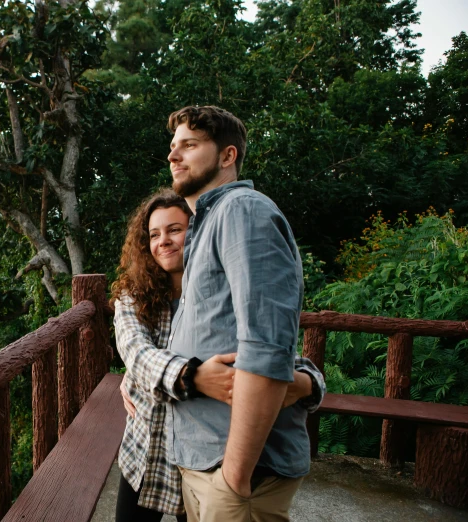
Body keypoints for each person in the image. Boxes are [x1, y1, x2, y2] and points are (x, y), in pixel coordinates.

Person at [111, 188, 325, 522]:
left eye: (174, 230)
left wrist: (308, 382)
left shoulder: (222, 294)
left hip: (203, 456)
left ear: (195, 232)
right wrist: (193, 376)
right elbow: (136, 353)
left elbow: (266, 349)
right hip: (147, 449)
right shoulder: (133, 297)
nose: (163, 241)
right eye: (154, 234)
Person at [151, 105, 311, 522]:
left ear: (227, 156)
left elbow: (268, 345)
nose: (173, 156)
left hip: (237, 471)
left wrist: (234, 479)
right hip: (205, 461)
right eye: (172, 147)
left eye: (189, 145)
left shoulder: (243, 211)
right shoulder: (206, 225)